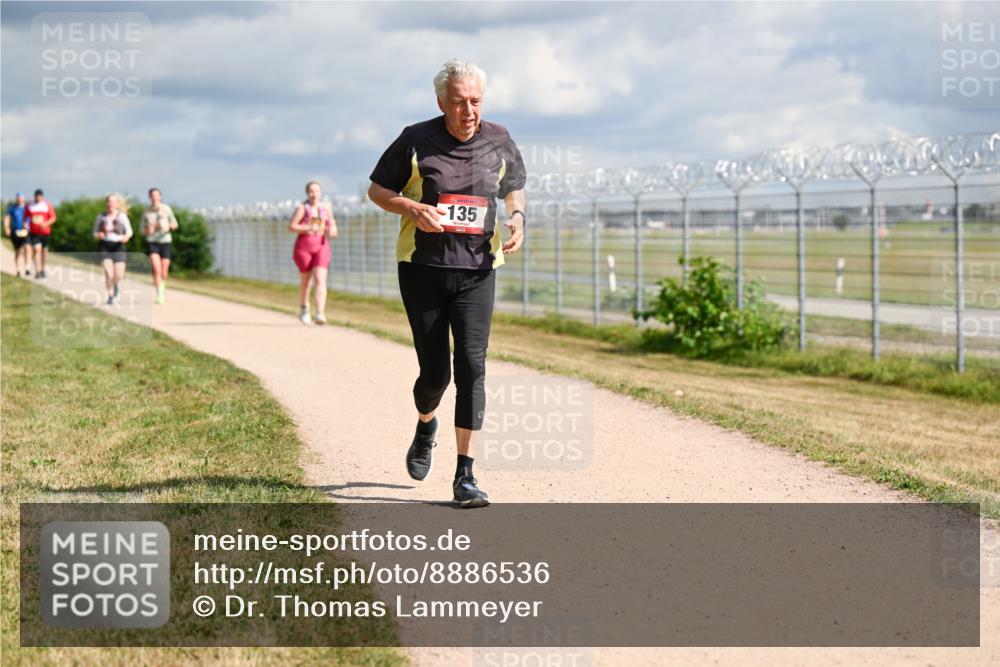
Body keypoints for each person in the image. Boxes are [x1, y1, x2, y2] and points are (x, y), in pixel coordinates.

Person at [367, 59, 526, 508]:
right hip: (423, 268)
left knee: (473, 365)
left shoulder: (499, 137)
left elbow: (514, 186)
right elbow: (377, 189)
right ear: (441, 102)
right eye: (459, 102)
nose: (468, 111)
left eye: (475, 101)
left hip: (478, 270)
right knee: (436, 372)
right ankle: (425, 422)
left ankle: (465, 476)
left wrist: (517, 218)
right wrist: (411, 208)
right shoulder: (416, 138)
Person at [288, 181, 337, 325]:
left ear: (320, 193)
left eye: (317, 191)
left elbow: (332, 225)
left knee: (320, 280)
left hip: (321, 245)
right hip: (304, 247)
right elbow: (291, 227)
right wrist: (308, 227)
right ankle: (304, 308)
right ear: (307, 193)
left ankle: (320, 312)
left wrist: (331, 230)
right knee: (306, 282)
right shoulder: (303, 208)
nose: (314, 194)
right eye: (311, 191)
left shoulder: (326, 208)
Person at [92, 194, 133, 305]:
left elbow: (129, 231)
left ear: (117, 204)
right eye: (109, 201)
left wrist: (126, 237)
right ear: (106, 203)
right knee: (108, 273)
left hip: (118, 246)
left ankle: (115, 285)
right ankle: (110, 296)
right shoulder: (101, 217)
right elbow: (94, 232)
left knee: (119, 275)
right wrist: (98, 234)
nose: (110, 204)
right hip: (104, 246)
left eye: (113, 201)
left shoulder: (122, 216)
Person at [142, 187, 179, 304]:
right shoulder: (147, 212)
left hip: (165, 241)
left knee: (164, 272)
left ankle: (162, 287)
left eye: (156, 195)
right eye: (152, 196)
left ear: (160, 196)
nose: (154, 198)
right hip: (152, 241)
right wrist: (149, 229)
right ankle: (159, 294)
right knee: (156, 269)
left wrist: (167, 226)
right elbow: (141, 230)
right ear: (150, 197)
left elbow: (175, 224)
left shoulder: (166, 209)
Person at [27, 189, 56, 278]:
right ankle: (38, 271)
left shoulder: (47, 205)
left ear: (42, 197)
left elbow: (53, 218)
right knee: (37, 250)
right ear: (34, 196)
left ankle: (43, 269)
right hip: (34, 233)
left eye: (40, 196)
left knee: (44, 252)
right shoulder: (30, 205)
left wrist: (46, 223)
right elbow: (25, 218)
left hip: (45, 232)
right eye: (37, 196)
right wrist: (25, 225)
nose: (38, 198)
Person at [4, 192, 31, 277]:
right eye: (18, 197)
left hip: (25, 231)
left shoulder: (28, 208)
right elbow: (7, 218)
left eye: (21, 197)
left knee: (28, 248)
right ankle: (18, 270)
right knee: (17, 251)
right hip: (16, 232)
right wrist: (7, 228)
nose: (20, 199)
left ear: (23, 198)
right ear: (17, 199)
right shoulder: (12, 208)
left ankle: (27, 267)